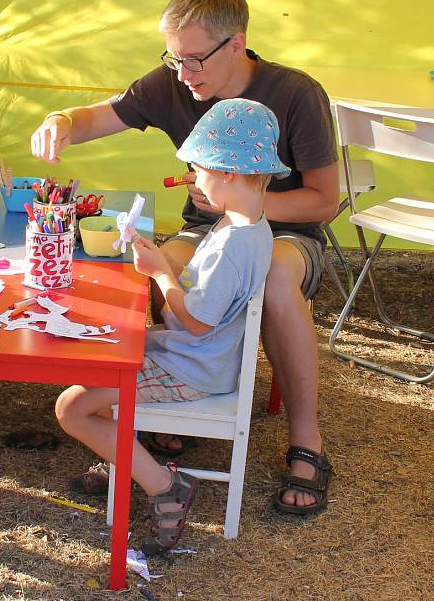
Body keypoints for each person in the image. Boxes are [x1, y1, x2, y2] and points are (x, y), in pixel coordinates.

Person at [32, 0, 338, 515]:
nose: (183, 74)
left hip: (287, 231)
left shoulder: (295, 93)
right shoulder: (176, 80)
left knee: (273, 276)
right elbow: (95, 117)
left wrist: (245, 210)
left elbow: (323, 202)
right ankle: (161, 412)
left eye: (194, 60)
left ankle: (307, 441)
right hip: (207, 231)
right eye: (173, 59)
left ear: (236, 44)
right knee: (146, 268)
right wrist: (60, 121)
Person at [56, 99, 290, 553]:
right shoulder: (250, 224)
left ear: (226, 172)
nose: (192, 180)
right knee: (94, 362)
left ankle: (163, 485)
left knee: (72, 408)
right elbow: (207, 305)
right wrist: (165, 266)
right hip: (196, 358)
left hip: (191, 366)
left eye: (198, 170)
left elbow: (199, 324)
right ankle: (124, 456)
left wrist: (161, 273)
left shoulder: (231, 245)